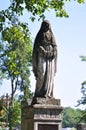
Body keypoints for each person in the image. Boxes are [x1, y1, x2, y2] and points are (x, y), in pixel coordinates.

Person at [32, 20, 57, 98]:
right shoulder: (40, 34)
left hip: (50, 57)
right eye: (45, 25)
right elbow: (37, 45)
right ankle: (39, 92)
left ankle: (47, 92)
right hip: (42, 56)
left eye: (48, 25)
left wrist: (53, 52)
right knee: (41, 73)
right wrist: (44, 52)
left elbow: (55, 45)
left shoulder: (51, 35)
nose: (47, 26)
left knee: (49, 74)